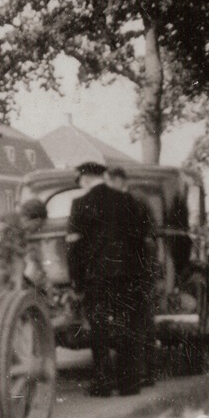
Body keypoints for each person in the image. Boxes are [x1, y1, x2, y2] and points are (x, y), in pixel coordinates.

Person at [67, 162, 147, 396]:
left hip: (97, 276)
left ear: (84, 179)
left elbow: (74, 248)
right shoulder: (129, 201)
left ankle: (101, 383)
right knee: (126, 326)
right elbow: (141, 242)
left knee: (99, 329)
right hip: (129, 274)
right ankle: (129, 384)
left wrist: (77, 283)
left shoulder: (80, 204)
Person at [105, 166, 158, 387]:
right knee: (141, 322)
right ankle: (145, 373)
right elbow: (150, 235)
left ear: (116, 180)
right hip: (140, 270)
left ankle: (133, 374)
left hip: (127, 272)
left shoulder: (123, 203)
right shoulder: (140, 200)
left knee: (130, 325)